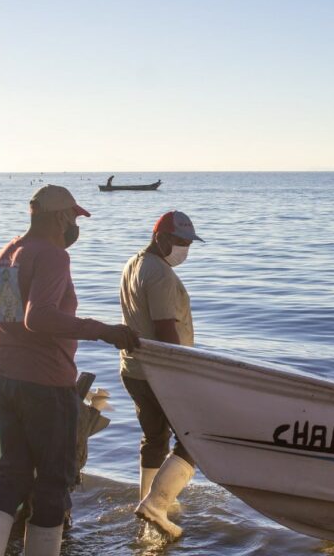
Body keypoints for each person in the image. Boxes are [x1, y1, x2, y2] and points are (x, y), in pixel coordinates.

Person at [0, 185, 140, 556]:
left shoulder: (6, 254)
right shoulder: (52, 256)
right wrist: (104, 331)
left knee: (12, 474)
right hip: (45, 384)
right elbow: (40, 317)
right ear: (58, 216)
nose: (74, 225)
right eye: (72, 216)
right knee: (53, 481)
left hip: (4, 377)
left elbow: (8, 318)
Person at [119, 210, 203, 539]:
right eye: (181, 242)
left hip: (134, 368)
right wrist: (183, 375)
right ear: (162, 238)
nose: (185, 248)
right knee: (194, 438)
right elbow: (166, 330)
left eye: (189, 243)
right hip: (160, 372)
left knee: (154, 438)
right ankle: (157, 504)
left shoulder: (133, 264)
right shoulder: (161, 275)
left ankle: (148, 501)